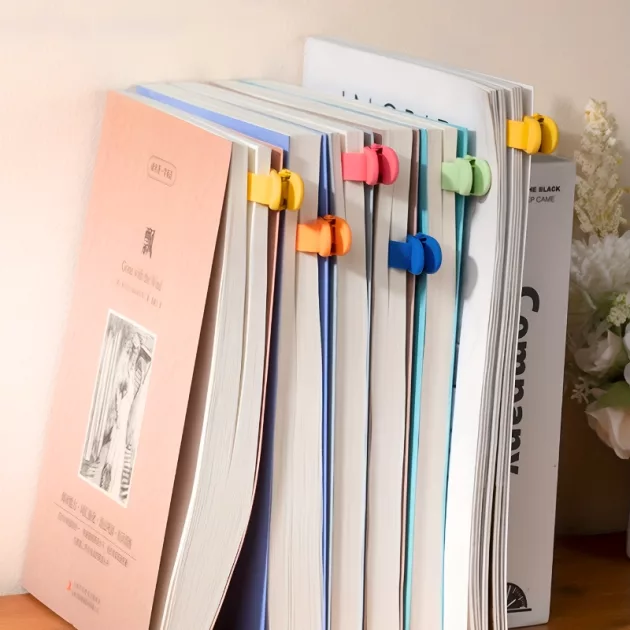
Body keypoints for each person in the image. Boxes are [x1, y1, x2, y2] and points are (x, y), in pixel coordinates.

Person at [104, 332, 140, 500]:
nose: (134, 356)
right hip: (121, 418)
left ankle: (112, 485)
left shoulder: (132, 371)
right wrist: (118, 416)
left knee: (119, 450)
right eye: (133, 351)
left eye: (136, 352)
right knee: (115, 450)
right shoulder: (124, 372)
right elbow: (118, 396)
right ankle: (108, 481)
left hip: (125, 418)